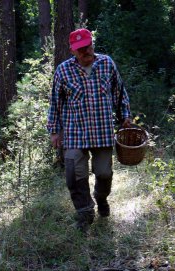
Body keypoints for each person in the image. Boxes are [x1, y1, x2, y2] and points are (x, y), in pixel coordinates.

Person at [47, 28, 132, 231]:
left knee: (104, 174)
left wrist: (125, 117)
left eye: (88, 47)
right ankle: (84, 213)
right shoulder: (63, 70)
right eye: (80, 50)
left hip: (102, 131)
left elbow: (120, 92)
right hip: (75, 132)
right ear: (72, 51)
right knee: (74, 175)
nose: (86, 52)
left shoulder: (107, 63)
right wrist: (54, 130)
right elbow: (55, 102)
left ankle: (101, 198)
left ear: (92, 44)